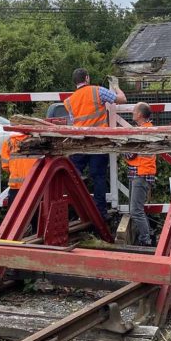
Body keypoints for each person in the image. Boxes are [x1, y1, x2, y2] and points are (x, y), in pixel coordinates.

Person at [63, 68, 126, 219]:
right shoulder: (97, 91)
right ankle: (100, 212)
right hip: (98, 141)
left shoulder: (69, 101)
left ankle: (76, 209)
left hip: (80, 142)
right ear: (87, 78)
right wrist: (116, 86)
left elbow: (74, 121)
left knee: (73, 174)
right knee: (98, 177)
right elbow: (122, 99)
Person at [123, 102, 157, 247]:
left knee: (135, 210)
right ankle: (148, 237)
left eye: (134, 111)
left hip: (140, 172)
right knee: (138, 209)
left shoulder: (142, 132)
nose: (132, 112)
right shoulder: (148, 129)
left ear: (139, 115)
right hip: (142, 172)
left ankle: (146, 240)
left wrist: (122, 147)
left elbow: (130, 154)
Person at [1, 131, 37, 207]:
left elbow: (5, 166)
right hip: (34, 184)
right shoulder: (36, 141)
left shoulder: (8, 142)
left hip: (15, 186)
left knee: (15, 213)